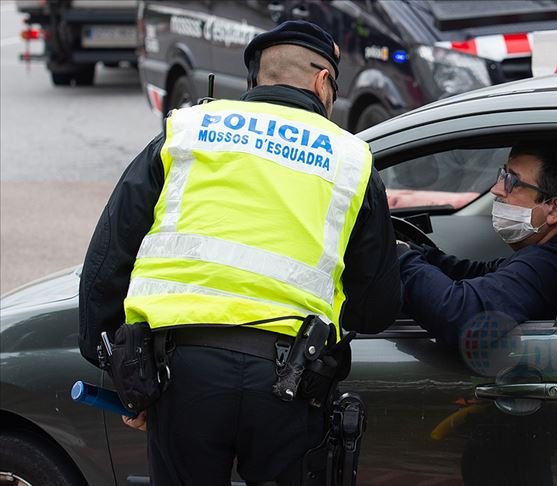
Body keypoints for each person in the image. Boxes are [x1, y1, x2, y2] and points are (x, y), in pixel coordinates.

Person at [78, 20, 401, 485]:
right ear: (322, 81)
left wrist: (127, 380)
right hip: (288, 384)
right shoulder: (351, 160)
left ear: (256, 81)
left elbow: (106, 262)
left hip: (181, 377)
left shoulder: (186, 131)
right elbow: (376, 308)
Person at [397, 140, 557, 350]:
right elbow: (481, 273)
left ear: (555, 209)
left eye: (512, 181)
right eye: (503, 175)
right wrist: (412, 251)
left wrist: (397, 257)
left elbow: (464, 318)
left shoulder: (549, 265)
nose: (497, 189)